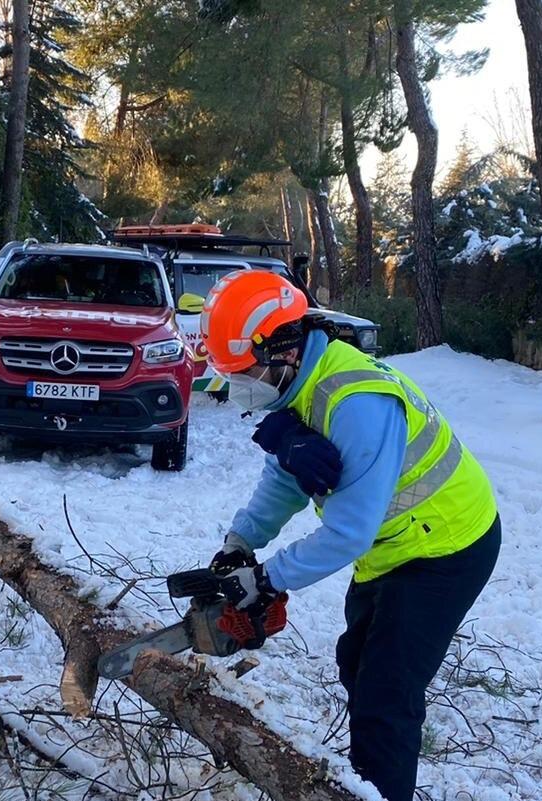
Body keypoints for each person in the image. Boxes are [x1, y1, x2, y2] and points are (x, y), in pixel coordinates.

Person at [199, 269, 502, 801]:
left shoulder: (357, 403)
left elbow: (349, 533)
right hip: (395, 546)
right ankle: (363, 780)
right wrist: (240, 543)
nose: (244, 384)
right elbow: (288, 474)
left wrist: (268, 578)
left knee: (386, 694)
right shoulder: (299, 384)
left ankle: (379, 790)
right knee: (356, 665)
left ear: (285, 348)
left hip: (449, 545)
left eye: (249, 370)